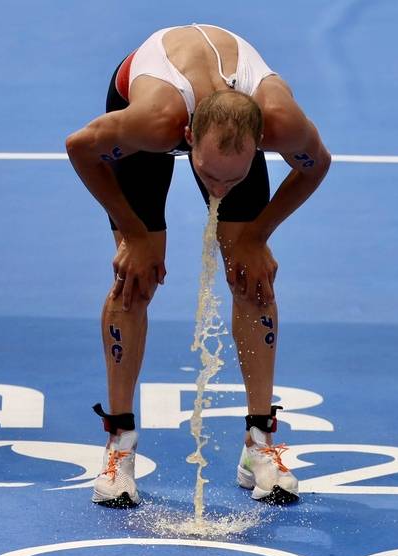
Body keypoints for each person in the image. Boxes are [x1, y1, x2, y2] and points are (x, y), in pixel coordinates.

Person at [65, 24, 330, 507]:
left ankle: (259, 445)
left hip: (227, 116)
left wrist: (256, 236)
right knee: (136, 278)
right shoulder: (154, 122)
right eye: (208, 175)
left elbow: (317, 164)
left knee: (253, 276)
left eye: (235, 176)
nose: (219, 189)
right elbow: (80, 148)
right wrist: (134, 234)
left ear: (260, 142)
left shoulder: (281, 121)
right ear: (187, 141)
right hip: (154, 105)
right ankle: (118, 448)